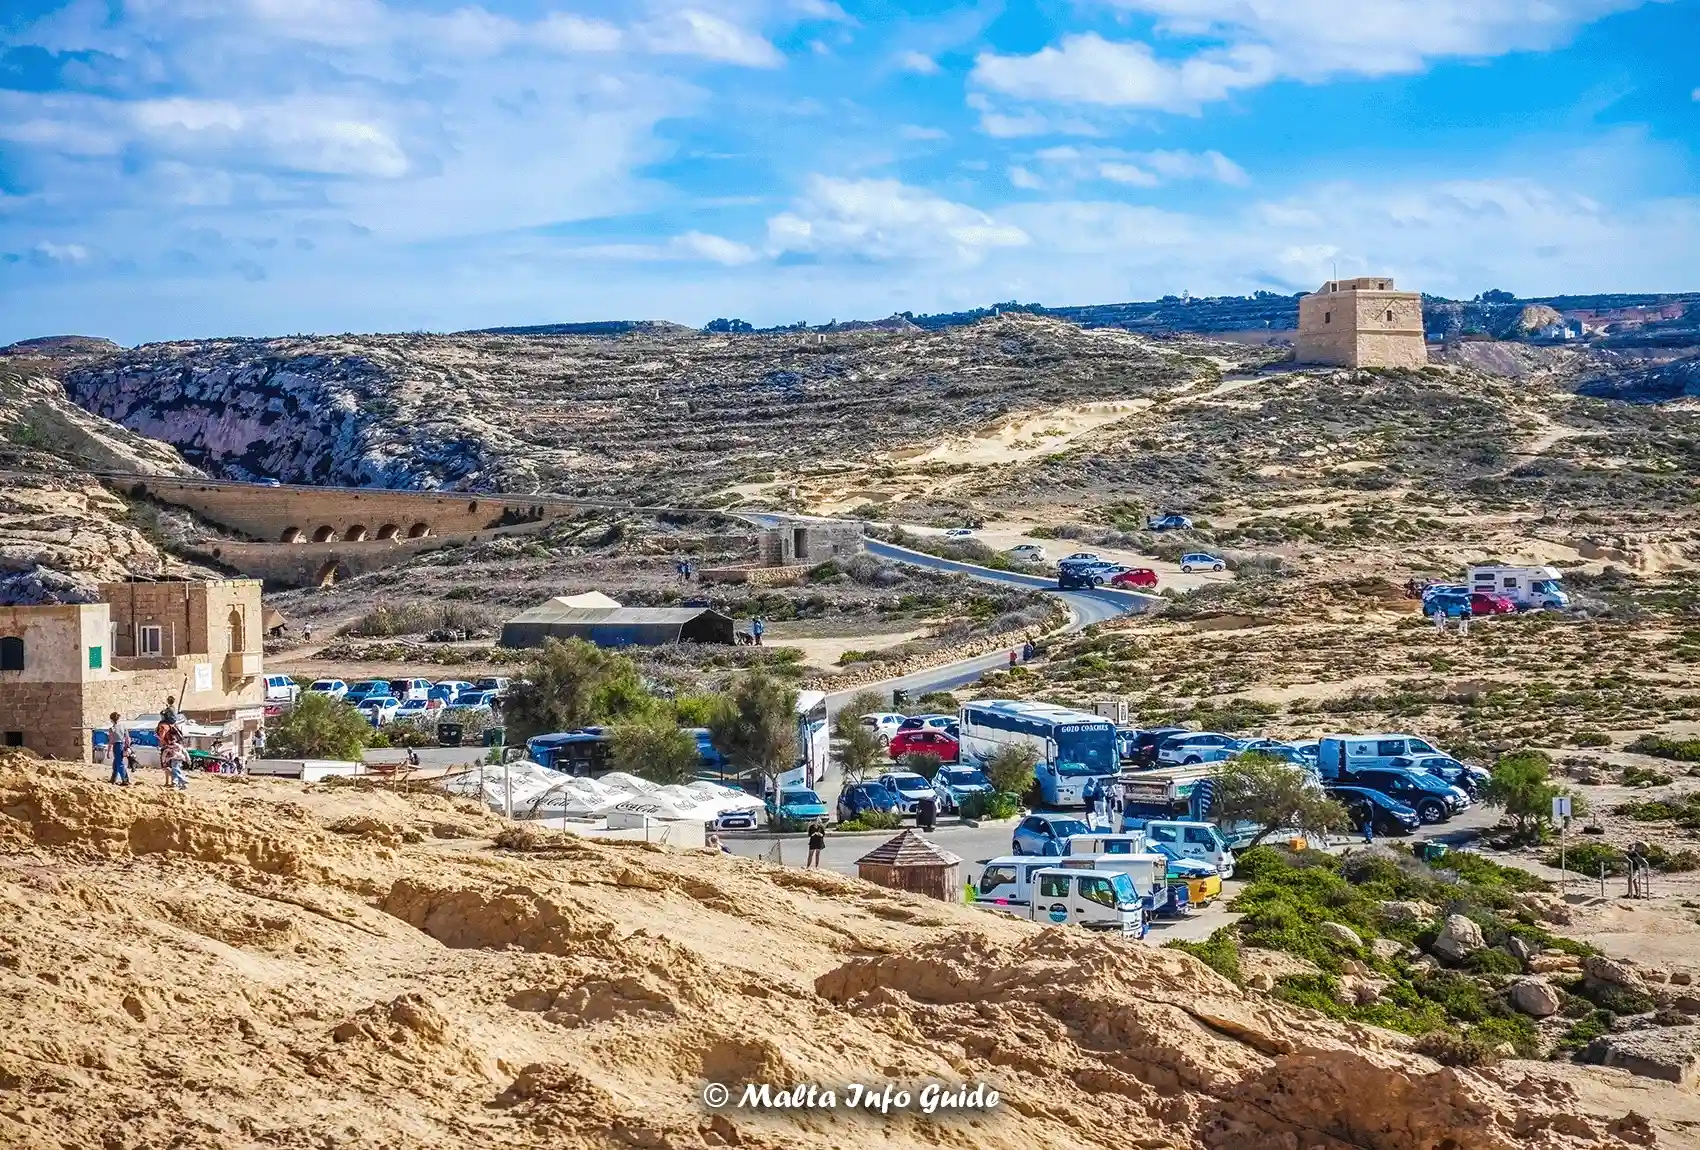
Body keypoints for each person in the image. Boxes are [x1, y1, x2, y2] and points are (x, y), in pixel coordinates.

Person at [107, 712, 130, 787]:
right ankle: (113, 779)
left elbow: (111, 741)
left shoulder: (112, 729)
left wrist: (108, 752)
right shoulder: (123, 726)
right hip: (122, 745)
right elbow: (127, 738)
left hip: (116, 746)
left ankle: (125, 780)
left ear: (111, 720)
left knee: (119, 763)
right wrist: (127, 747)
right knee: (116, 762)